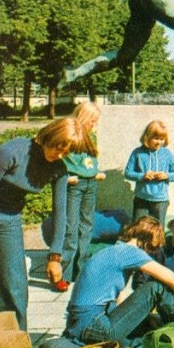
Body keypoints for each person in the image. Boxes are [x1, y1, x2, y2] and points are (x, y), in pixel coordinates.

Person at [0, 118, 82, 330]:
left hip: (9, 219)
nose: (58, 156)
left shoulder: (58, 170)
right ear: (48, 137)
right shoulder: (13, 150)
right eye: (57, 148)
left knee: (14, 284)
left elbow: (61, 214)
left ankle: (10, 340)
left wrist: (55, 257)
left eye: (66, 153)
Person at [62, 216, 174, 347]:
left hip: (80, 324)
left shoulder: (114, 249)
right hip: (95, 326)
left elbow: (118, 296)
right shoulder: (131, 252)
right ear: (146, 242)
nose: (150, 253)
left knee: (146, 327)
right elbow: (173, 279)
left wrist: (136, 317)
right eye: (152, 248)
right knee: (154, 287)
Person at [57, 101, 106, 292]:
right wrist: (65, 177)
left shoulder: (91, 135)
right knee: (71, 228)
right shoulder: (69, 132)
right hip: (74, 185)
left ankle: (81, 270)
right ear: (83, 117)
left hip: (90, 183)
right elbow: (59, 157)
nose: (94, 125)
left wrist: (96, 172)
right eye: (92, 120)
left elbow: (88, 160)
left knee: (87, 227)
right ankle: (63, 273)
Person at [124, 120, 174, 224]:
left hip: (160, 200)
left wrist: (166, 175)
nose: (159, 142)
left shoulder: (167, 154)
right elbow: (127, 173)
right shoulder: (137, 153)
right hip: (141, 198)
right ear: (147, 137)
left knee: (158, 230)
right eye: (156, 138)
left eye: (162, 139)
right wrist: (142, 176)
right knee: (138, 228)